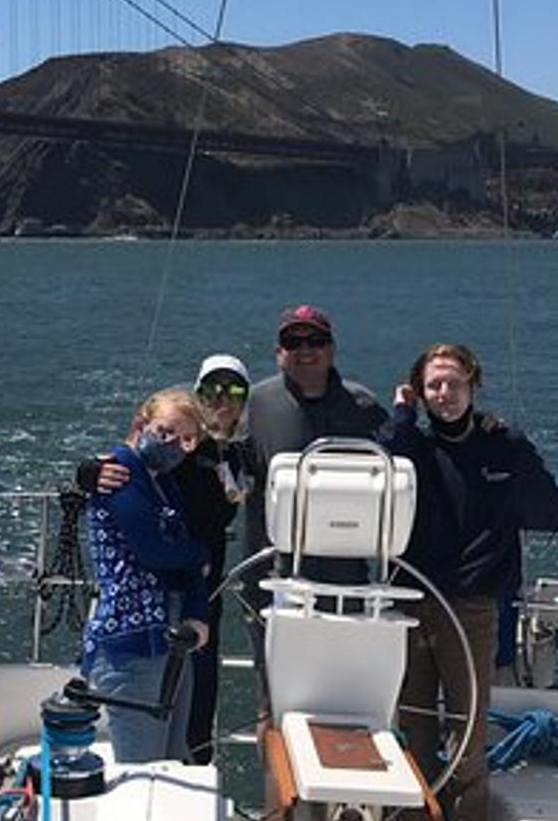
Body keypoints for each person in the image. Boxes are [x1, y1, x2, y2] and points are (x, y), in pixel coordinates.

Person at [377, 342, 558, 821]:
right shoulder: (411, 445)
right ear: (418, 392)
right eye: (432, 385)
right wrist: (402, 415)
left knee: (467, 745)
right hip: (410, 602)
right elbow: (384, 458)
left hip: (471, 608)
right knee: (413, 737)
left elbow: (543, 502)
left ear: (473, 384)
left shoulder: (504, 445)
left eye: (453, 383)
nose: (443, 394)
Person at [81, 388, 213, 763]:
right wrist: (200, 554)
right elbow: (152, 550)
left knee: (172, 760)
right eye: (165, 431)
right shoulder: (119, 474)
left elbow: (181, 553)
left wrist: (197, 611)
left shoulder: (164, 483)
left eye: (186, 439)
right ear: (141, 424)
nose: (173, 444)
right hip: (131, 646)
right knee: (142, 770)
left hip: (169, 639)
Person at [241, 304, 387, 584]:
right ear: (278, 352)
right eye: (293, 342)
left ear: (331, 349)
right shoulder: (255, 404)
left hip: (348, 575)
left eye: (316, 341)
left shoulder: (364, 406)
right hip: (272, 574)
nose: (305, 350)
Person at [180, 354, 252, 763]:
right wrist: (96, 471)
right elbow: (133, 460)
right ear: (198, 395)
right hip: (167, 586)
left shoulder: (240, 452)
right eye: (212, 390)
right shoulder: (179, 445)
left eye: (234, 390)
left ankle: (195, 769)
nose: (222, 399)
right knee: (163, 687)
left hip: (207, 591)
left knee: (202, 690)